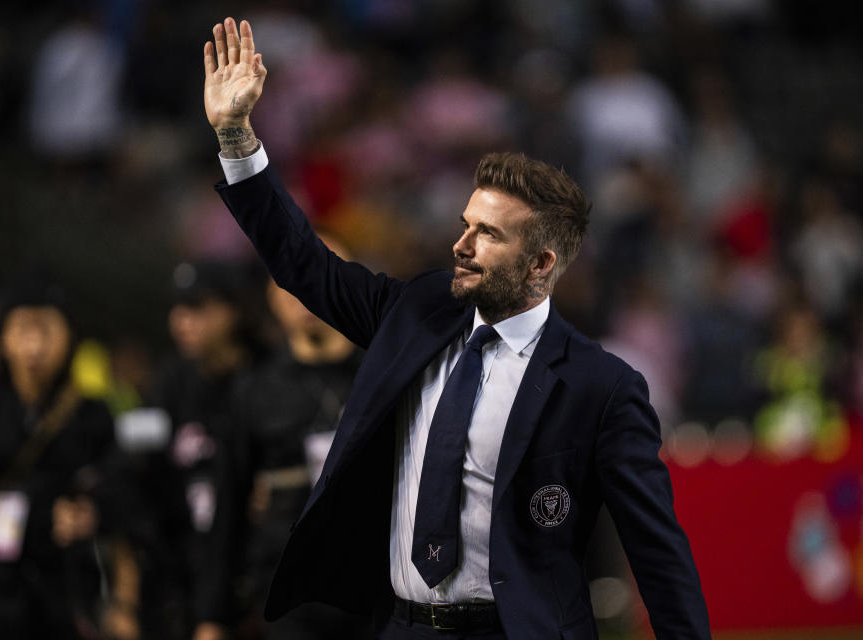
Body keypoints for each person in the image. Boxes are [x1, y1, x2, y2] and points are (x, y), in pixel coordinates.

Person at [202, 18, 710, 639]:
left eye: (487, 234)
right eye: (466, 223)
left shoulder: (601, 386)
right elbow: (302, 263)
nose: (460, 244)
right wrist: (235, 134)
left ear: (541, 264)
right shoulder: (416, 312)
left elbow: (658, 554)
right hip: (399, 627)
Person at [0, 276, 139, 640]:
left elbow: (125, 516)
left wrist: (123, 603)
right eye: (23, 329)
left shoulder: (93, 417)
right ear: (1, 338)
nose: (35, 345)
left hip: (68, 601)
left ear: (70, 337)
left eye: (47, 330)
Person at [241, 239, 371, 639]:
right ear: (271, 297)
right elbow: (229, 499)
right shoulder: (253, 389)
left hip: (380, 589)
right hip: (291, 596)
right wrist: (212, 614)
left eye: (323, 270)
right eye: (290, 278)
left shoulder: (391, 372)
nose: (305, 288)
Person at [129, 260, 256, 640]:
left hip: (249, 572)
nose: (182, 321)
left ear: (232, 311)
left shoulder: (263, 377)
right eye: (177, 309)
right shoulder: (170, 381)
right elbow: (133, 452)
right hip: (182, 568)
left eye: (197, 308)